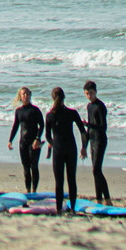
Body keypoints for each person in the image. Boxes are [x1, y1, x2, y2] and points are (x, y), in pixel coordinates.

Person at [45, 86, 88, 214]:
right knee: (71, 179)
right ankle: (73, 209)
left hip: (58, 149)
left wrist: (53, 144)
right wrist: (84, 148)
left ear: (53, 98)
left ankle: (58, 209)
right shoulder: (72, 113)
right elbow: (83, 131)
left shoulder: (49, 116)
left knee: (59, 181)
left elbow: (47, 136)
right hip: (71, 148)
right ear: (64, 97)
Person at [7, 86, 44, 193]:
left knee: (34, 166)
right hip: (23, 142)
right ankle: (28, 190)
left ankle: (34, 190)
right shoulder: (18, 111)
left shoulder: (35, 110)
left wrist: (37, 139)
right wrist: (10, 140)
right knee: (26, 168)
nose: (26, 96)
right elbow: (15, 126)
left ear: (30, 95)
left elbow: (42, 125)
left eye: (27, 94)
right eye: (24, 94)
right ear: (20, 97)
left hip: (34, 142)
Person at [83, 80, 112, 206]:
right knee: (95, 171)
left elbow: (103, 127)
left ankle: (108, 199)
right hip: (92, 140)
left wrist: (88, 124)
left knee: (96, 170)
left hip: (100, 140)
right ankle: (99, 199)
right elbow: (89, 129)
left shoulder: (100, 106)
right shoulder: (89, 106)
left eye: (91, 93)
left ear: (96, 92)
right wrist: (84, 145)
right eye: (87, 93)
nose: (89, 95)